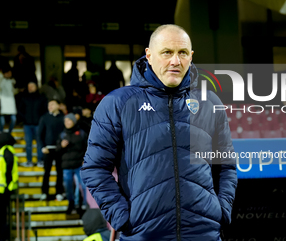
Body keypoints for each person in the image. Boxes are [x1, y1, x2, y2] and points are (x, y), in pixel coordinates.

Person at [81, 24, 237, 240]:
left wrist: (221, 211)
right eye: (167, 52)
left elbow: (226, 167)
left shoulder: (210, 103)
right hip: (143, 234)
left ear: (191, 57)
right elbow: (95, 168)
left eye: (182, 53)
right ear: (149, 55)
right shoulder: (117, 103)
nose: (175, 61)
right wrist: (122, 218)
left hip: (204, 234)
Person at [56, 113, 87, 214]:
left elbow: (87, 147)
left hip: (79, 164)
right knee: (68, 187)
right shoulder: (62, 135)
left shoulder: (81, 133)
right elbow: (57, 150)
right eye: (65, 121)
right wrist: (61, 146)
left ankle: (83, 205)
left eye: (69, 120)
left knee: (83, 186)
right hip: (67, 166)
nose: (67, 123)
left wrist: (85, 160)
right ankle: (71, 204)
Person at [38, 99, 64, 201]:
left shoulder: (63, 118)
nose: (50, 106)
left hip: (59, 149)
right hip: (47, 149)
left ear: (58, 105)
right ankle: (44, 192)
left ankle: (59, 192)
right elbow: (39, 134)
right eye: (49, 105)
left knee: (60, 172)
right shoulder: (44, 118)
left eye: (52, 104)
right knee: (46, 172)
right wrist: (43, 147)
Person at [18, 81, 47, 167]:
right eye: (29, 86)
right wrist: (24, 119)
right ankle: (29, 161)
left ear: (36, 87)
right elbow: (20, 110)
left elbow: (45, 110)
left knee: (39, 143)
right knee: (28, 144)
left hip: (38, 124)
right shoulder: (24, 98)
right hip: (27, 124)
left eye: (32, 86)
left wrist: (41, 121)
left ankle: (40, 160)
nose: (30, 88)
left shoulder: (41, 98)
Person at [0, 132, 18, 240]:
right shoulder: (8, 151)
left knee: (2, 217)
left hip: (4, 189)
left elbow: (8, 170)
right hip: (5, 188)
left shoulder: (5, 151)